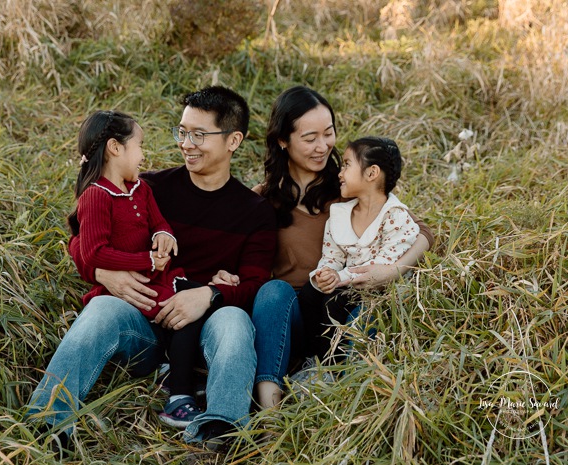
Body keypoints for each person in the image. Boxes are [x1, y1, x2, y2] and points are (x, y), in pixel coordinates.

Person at [26, 86, 277, 450]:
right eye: (182, 131)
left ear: (233, 140)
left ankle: (222, 430)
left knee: (236, 321)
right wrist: (101, 274)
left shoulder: (254, 211)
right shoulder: (149, 187)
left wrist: (208, 294)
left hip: (206, 330)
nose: (186, 143)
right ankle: (47, 422)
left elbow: (256, 282)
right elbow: (82, 237)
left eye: (199, 134)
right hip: (144, 323)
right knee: (101, 307)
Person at [213, 86, 434, 409]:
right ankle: (269, 413)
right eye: (310, 137)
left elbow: (422, 232)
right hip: (290, 318)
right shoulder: (263, 199)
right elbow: (231, 253)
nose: (322, 146)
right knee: (274, 291)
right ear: (282, 141)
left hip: (345, 309)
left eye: (328, 134)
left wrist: (392, 271)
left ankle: (343, 393)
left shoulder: (350, 187)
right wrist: (224, 274)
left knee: (372, 305)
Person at [66, 110, 207, 430]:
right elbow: (91, 250)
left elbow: (157, 221)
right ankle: (178, 392)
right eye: (140, 145)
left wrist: (163, 234)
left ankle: (176, 377)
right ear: (116, 148)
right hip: (132, 297)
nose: (144, 155)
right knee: (183, 307)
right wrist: (146, 261)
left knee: (197, 302)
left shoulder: (140, 188)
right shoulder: (96, 196)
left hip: (158, 284)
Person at [299, 136, 420, 360]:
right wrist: (325, 273)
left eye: (346, 165)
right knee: (309, 293)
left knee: (333, 302)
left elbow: (382, 265)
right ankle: (312, 358)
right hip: (348, 284)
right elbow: (332, 256)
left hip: (379, 290)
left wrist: (339, 277)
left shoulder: (395, 216)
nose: (340, 173)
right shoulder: (340, 215)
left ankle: (331, 365)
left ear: (372, 173)